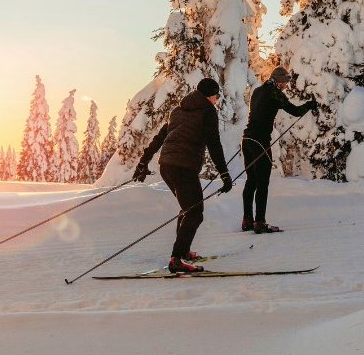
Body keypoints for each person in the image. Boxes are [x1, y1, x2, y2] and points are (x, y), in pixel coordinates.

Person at [133, 77, 233, 273]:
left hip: (167, 166)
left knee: (188, 209)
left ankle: (183, 252)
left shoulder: (178, 110)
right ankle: (177, 259)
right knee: (195, 213)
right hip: (183, 167)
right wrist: (225, 174)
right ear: (210, 96)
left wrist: (143, 162)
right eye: (217, 96)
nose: (217, 100)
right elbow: (214, 143)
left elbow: (160, 138)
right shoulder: (207, 111)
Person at [240, 67, 315, 234]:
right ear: (279, 81)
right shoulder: (274, 93)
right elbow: (295, 111)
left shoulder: (258, 91)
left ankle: (247, 220)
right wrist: (310, 105)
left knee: (251, 181)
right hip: (260, 142)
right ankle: (259, 222)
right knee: (263, 182)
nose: (286, 86)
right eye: (285, 82)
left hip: (247, 140)